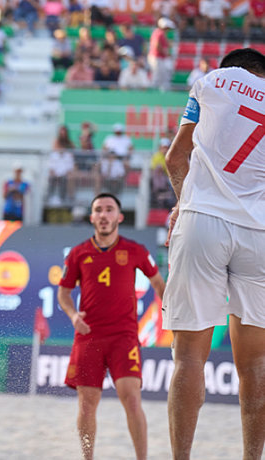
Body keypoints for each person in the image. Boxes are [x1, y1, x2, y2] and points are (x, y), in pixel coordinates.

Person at [163, 48, 265, 460]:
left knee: (188, 357)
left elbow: (176, 157)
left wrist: (180, 203)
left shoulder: (212, 82)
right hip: (260, 232)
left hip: (204, 218)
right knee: (256, 366)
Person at [58, 193, 166, 460]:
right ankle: (87, 457)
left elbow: (159, 284)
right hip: (88, 337)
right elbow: (63, 294)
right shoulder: (78, 253)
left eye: (109, 210)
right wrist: (73, 316)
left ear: (119, 217)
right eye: (98, 210)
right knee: (86, 406)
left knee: (131, 399)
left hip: (124, 337)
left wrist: (172, 312)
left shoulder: (136, 250)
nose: (104, 215)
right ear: (92, 217)